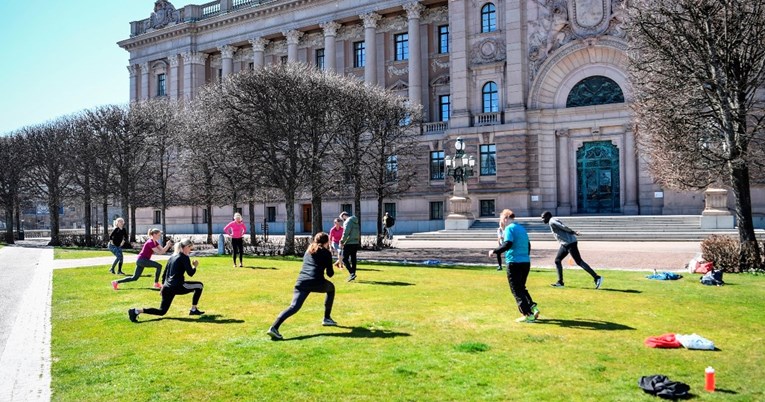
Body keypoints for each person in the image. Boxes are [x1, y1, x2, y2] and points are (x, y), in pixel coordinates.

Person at [267, 232, 337, 340]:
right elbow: (330, 274)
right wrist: (332, 260)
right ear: (326, 242)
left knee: (294, 307)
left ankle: (274, 327)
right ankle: (326, 318)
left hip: (301, 281)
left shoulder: (308, 250)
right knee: (331, 288)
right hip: (316, 281)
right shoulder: (326, 253)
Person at [128, 238, 205, 322]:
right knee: (199, 286)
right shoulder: (184, 257)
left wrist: (163, 286)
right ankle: (193, 310)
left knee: (162, 311)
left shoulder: (172, 257)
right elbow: (190, 273)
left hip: (167, 287)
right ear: (186, 246)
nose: (190, 250)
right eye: (190, 248)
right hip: (178, 286)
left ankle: (136, 311)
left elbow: (165, 274)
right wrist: (195, 266)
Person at [489, 209, 539, 323]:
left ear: (506, 218)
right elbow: (528, 245)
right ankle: (532, 307)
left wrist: (495, 251)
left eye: (502, 219)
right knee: (522, 287)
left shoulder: (509, 229)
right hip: (525, 262)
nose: (502, 222)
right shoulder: (521, 228)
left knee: (516, 289)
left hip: (514, 262)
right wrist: (525, 256)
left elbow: (508, 244)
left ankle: (527, 314)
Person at [541, 211, 603, 289]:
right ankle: (560, 282)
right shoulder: (552, 220)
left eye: (543, 218)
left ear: (548, 216)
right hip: (565, 244)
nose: (542, 220)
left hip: (570, 243)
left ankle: (597, 277)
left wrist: (573, 232)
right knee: (557, 260)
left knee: (579, 262)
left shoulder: (552, 221)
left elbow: (563, 226)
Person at [339, 211, 360, 282]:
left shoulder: (347, 221)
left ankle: (351, 273)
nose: (343, 220)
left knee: (344, 259)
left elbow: (346, 232)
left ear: (344, 215)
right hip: (355, 242)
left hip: (349, 243)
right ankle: (353, 274)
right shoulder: (355, 221)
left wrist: (342, 241)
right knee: (353, 259)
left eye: (342, 218)